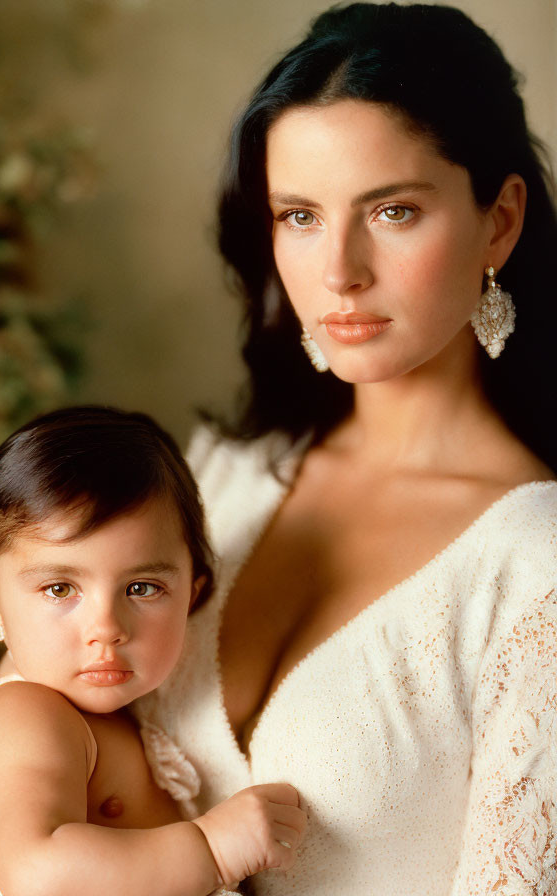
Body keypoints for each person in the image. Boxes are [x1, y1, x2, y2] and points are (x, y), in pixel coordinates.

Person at [136, 4, 557, 895]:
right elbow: (1, 787)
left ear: (501, 221)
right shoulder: (221, 475)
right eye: (299, 215)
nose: (337, 272)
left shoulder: (537, 565)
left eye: (393, 210)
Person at [0, 406, 307, 896]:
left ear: (193, 595)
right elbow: (38, 873)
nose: (106, 629)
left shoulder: (103, 708)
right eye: (59, 590)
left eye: (142, 588)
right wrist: (214, 849)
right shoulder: (24, 715)